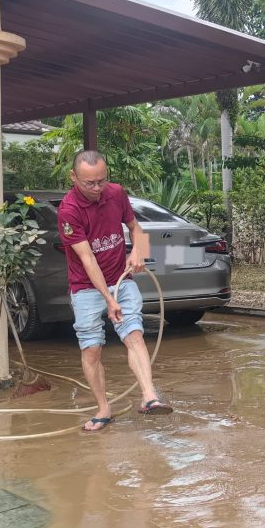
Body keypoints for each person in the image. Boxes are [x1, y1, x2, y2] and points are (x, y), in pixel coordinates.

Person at [58, 150, 172, 432]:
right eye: (89, 183)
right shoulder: (68, 210)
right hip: (86, 287)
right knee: (92, 348)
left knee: (133, 332)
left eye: (102, 181)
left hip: (120, 278)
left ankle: (149, 397)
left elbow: (135, 227)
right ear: (74, 177)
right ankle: (103, 409)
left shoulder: (116, 193)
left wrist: (140, 254)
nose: (97, 189)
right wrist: (108, 299)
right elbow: (87, 259)